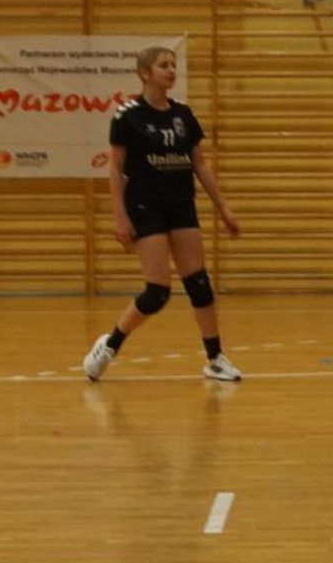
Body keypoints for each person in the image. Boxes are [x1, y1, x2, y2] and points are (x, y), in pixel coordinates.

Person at [82, 46, 243, 381]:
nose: (171, 70)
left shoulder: (183, 114)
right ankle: (109, 345)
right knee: (157, 292)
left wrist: (223, 207)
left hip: (181, 205)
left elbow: (200, 164)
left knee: (199, 284)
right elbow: (115, 169)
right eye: (163, 65)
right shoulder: (128, 116)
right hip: (145, 207)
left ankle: (215, 359)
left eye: (173, 64)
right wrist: (120, 216)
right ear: (145, 73)